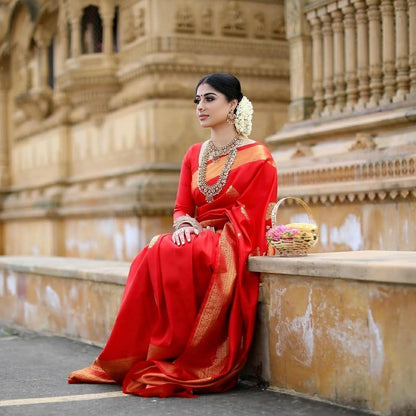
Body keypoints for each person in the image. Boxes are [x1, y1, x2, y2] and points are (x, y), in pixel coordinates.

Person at [68, 73, 278, 398]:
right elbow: (182, 208)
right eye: (197, 100)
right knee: (156, 249)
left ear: (233, 104)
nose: (200, 107)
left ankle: (184, 352)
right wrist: (183, 225)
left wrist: (209, 231)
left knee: (183, 250)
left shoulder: (259, 156)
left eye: (209, 99)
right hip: (198, 235)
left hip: (234, 239)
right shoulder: (195, 154)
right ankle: (150, 351)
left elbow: (256, 213)